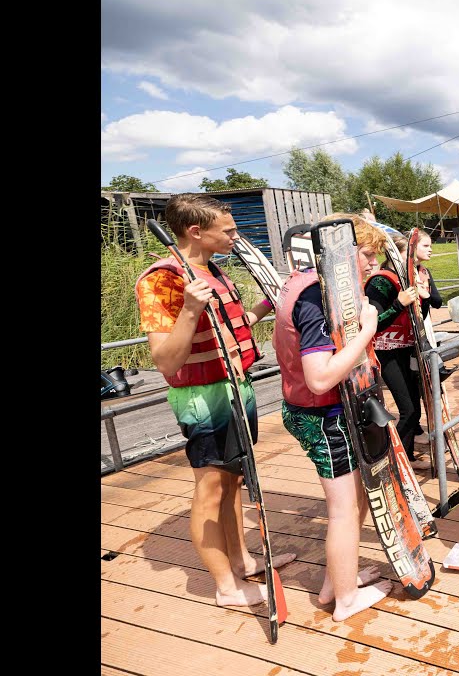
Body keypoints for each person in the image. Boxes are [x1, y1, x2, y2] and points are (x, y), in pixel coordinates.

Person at [136, 194, 297, 609]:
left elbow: (232, 326)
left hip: (236, 387)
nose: (235, 236)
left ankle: (242, 561)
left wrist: (272, 300)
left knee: (233, 481)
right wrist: (190, 308)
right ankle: (226, 586)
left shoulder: (213, 270)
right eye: (228, 230)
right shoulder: (163, 280)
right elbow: (165, 360)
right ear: (196, 231)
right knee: (210, 487)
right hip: (203, 396)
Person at [273, 213, 394, 621]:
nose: (375, 263)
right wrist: (367, 331)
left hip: (319, 410)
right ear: (340, 252)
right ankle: (345, 600)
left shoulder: (304, 281)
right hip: (323, 415)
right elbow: (321, 377)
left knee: (357, 501)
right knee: (344, 510)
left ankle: (335, 582)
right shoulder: (316, 297)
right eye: (368, 254)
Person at [364, 234, 442, 463]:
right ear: (398, 253)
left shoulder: (412, 276)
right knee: (408, 410)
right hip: (386, 352)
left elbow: (419, 318)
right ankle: (395, 460)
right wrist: (399, 303)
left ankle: (406, 458)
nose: (429, 250)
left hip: (408, 349)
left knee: (414, 409)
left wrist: (424, 297)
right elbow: (375, 324)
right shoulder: (380, 281)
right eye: (422, 246)